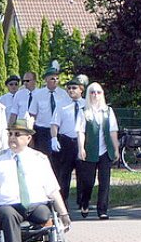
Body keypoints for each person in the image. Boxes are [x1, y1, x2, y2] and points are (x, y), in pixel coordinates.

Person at [0, 117, 72, 242]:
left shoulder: (39, 159)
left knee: (44, 215)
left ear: (28, 138)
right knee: (8, 216)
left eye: (17, 134)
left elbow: (52, 189)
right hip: (7, 206)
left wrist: (63, 214)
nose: (12, 138)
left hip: (35, 204)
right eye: (10, 134)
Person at [74, 82, 122, 219]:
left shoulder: (108, 111)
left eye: (98, 92)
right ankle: (85, 202)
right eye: (92, 92)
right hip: (90, 151)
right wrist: (81, 148)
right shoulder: (84, 111)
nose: (95, 95)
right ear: (88, 94)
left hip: (105, 151)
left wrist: (116, 149)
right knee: (88, 182)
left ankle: (102, 210)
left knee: (104, 181)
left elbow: (113, 131)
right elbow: (80, 132)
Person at [50, 75, 87, 202]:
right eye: (69, 88)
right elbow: (54, 124)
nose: (71, 90)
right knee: (64, 174)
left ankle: (82, 201)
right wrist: (54, 138)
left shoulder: (86, 104)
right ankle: (63, 201)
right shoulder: (61, 105)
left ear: (81, 89)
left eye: (74, 88)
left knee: (82, 173)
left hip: (81, 141)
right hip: (66, 141)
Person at [28, 62, 71, 155]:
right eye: (52, 78)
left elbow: (68, 113)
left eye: (57, 78)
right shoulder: (38, 95)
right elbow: (32, 115)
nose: (55, 80)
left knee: (59, 158)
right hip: (43, 131)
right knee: (44, 157)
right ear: (46, 79)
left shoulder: (64, 94)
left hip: (59, 131)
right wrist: (30, 132)